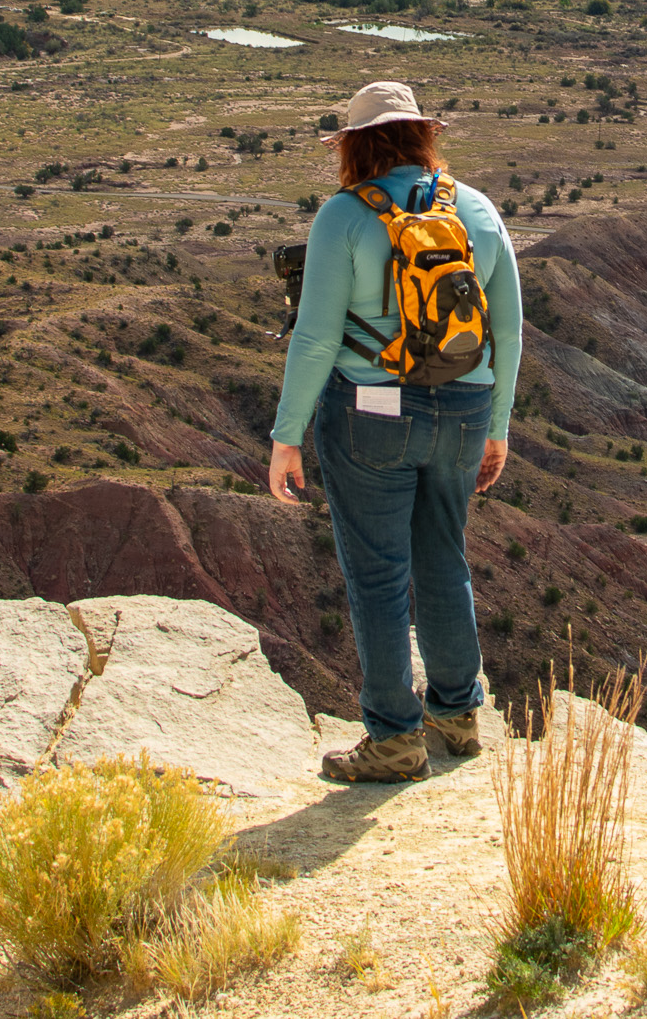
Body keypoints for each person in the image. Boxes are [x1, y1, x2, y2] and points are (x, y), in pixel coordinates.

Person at [267, 79, 523, 782]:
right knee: (445, 561)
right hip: (465, 410)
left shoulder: (343, 218)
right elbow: (508, 328)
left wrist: (286, 437)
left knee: (379, 578)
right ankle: (457, 716)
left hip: (370, 415)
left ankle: (392, 740)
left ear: (352, 146)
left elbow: (316, 339)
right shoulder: (475, 209)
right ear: (423, 136)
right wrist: (497, 424)